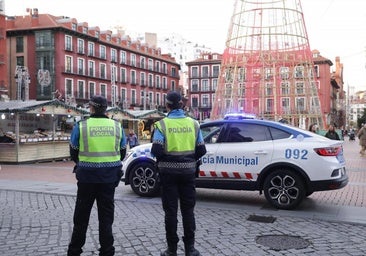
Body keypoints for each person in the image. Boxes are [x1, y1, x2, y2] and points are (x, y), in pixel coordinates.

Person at [67, 95, 126, 256]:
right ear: (105, 108)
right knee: (106, 217)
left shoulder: (81, 126)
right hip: (109, 178)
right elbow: (122, 152)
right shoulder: (117, 126)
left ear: (91, 108)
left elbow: (73, 151)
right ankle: (107, 251)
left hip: (87, 177)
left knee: (81, 217)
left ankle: (74, 251)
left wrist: (84, 163)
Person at [151, 91, 207, 256]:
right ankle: (190, 248)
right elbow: (201, 149)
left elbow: (156, 150)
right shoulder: (194, 124)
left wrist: (168, 159)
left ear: (167, 105)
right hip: (188, 173)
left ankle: (172, 249)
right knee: (188, 211)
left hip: (168, 174)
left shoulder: (162, 125)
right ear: (182, 105)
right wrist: (188, 160)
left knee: (170, 211)